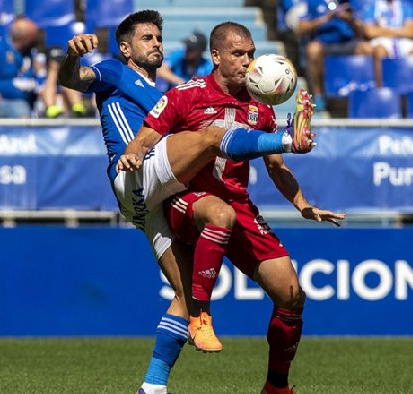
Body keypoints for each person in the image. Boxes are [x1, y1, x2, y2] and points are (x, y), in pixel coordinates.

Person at [57, 10, 315, 394]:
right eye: (147, 38)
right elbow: (73, 80)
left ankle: (153, 386)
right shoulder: (115, 71)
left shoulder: (165, 94)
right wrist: (73, 56)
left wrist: (301, 201)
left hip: (154, 198)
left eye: (159, 37)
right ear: (125, 47)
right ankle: (285, 140)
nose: (157, 43)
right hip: (134, 172)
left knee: (187, 297)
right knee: (212, 138)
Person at [122, 21, 344, 394]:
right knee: (219, 214)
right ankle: (200, 313)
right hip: (188, 200)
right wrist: (134, 151)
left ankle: (277, 386)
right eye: (238, 54)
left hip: (236, 203)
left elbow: (277, 169)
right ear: (216, 56)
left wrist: (303, 204)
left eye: (251, 53)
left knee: (290, 294)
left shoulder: (261, 108)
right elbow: (148, 133)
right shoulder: (186, 95)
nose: (248, 62)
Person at [297, 0, 371, 110]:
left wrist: (351, 20)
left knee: (367, 49)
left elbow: (364, 31)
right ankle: (318, 96)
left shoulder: (350, 3)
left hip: (348, 42)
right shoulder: (312, 3)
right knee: (313, 50)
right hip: (324, 42)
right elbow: (301, 28)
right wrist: (326, 18)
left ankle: (366, 94)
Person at [360, 0, 413, 88]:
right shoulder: (371, 7)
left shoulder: (405, 6)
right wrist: (399, 30)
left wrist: (384, 30)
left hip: (402, 41)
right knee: (379, 51)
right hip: (381, 41)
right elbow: (369, 32)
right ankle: (381, 88)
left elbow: (411, 32)